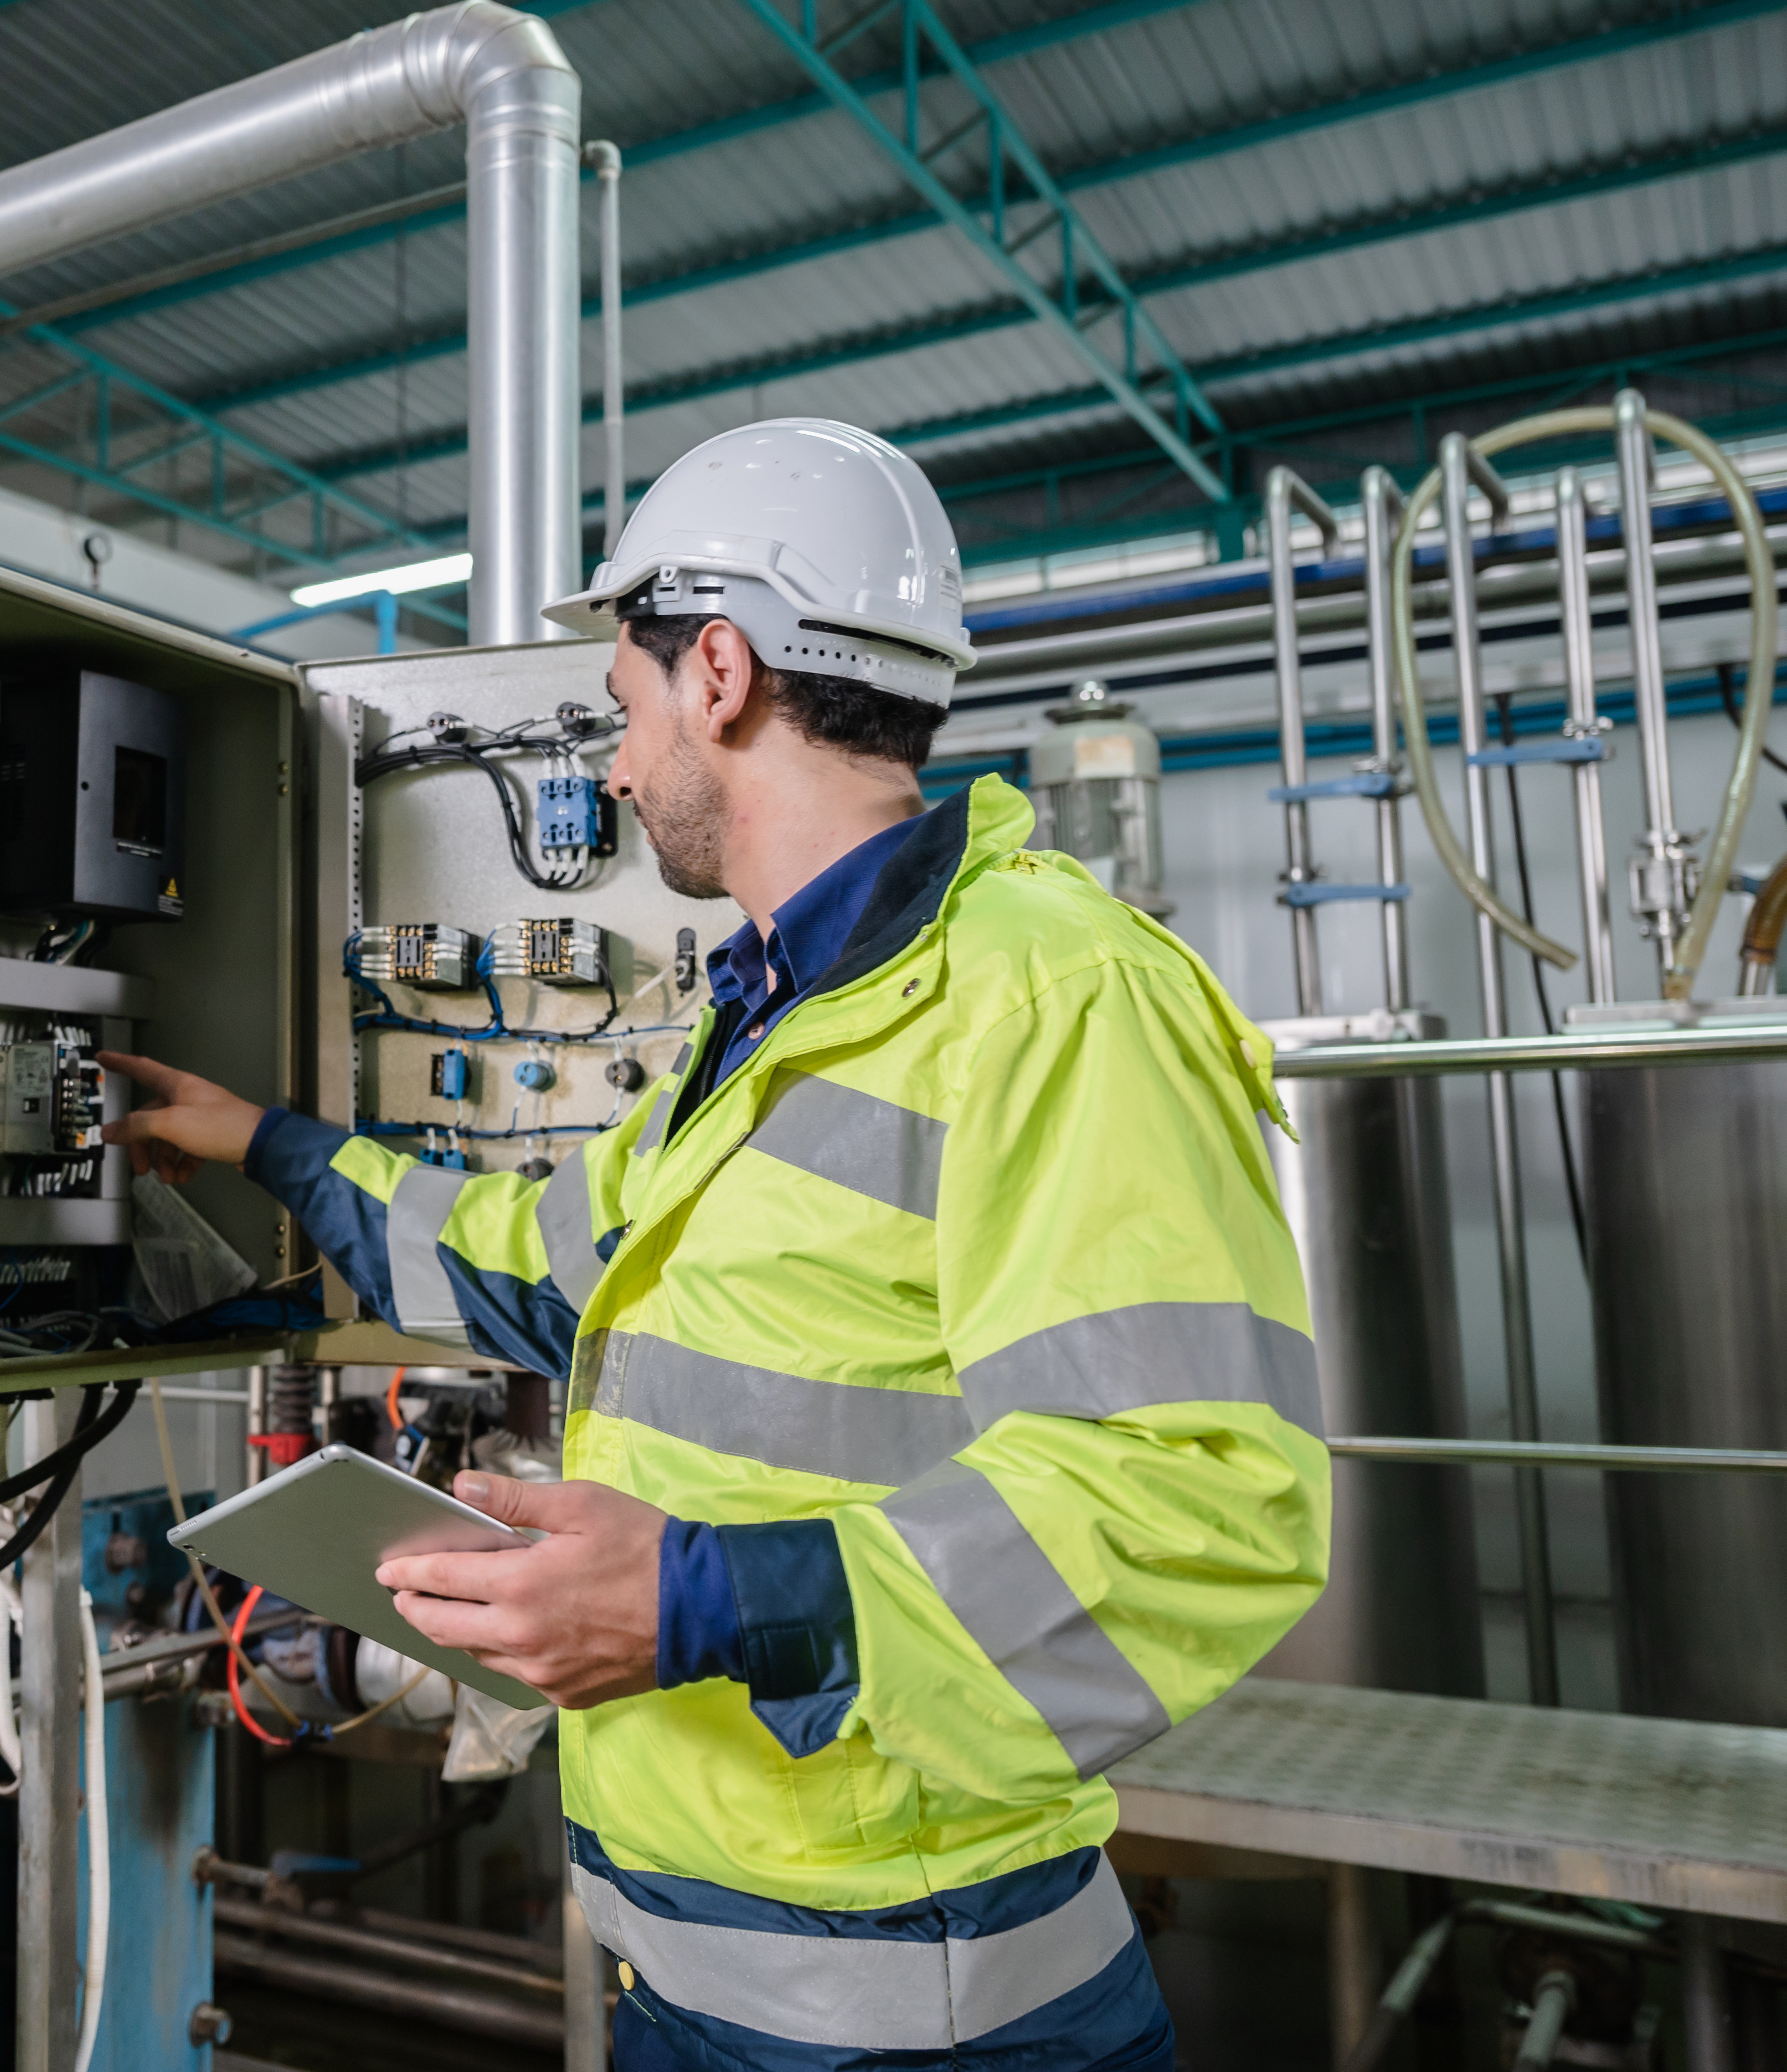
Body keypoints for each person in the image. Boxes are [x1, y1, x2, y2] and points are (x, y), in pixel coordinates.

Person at [98, 419, 1326, 2071]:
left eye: (617, 706)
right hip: (690, 1980)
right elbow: (532, 1264)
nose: (610, 766)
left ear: (722, 673)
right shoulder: (755, 1025)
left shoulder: (1049, 991)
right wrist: (259, 1143)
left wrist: (697, 1598)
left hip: (921, 2015)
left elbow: (1199, 1499)